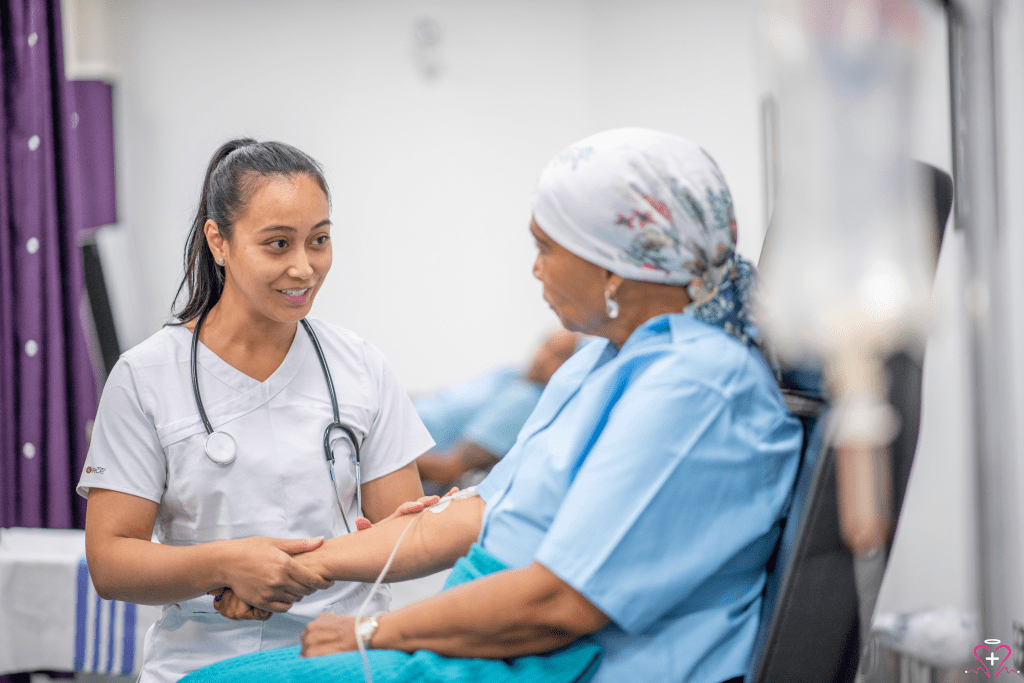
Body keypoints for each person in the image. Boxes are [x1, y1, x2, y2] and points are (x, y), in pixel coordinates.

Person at [186, 129, 803, 683]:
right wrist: (297, 567)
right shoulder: (605, 359)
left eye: (547, 246)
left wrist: (374, 631)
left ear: (615, 267)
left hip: (562, 658)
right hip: (492, 636)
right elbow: (475, 515)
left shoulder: (695, 388)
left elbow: (557, 605)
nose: (536, 268)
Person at [77, 139, 437, 683]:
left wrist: (297, 570)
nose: (304, 268)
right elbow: (110, 561)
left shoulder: (358, 366)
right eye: (277, 244)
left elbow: (408, 537)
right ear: (218, 241)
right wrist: (224, 566)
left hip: (340, 657)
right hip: (202, 661)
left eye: (319, 241)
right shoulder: (145, 377)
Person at [414, 329, 578, 490]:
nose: (543, 357)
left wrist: (394, 452)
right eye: (546, 346)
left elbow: (445, 470)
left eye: (559, 356)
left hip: (410, 459)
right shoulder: (509, 373)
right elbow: (441, 399)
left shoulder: (526, 402)